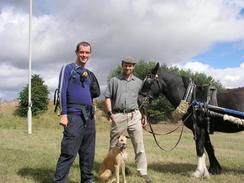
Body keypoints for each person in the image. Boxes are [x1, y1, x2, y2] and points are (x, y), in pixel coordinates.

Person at [53, 41, 100, 183]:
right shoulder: (68, 68)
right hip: (73, 116)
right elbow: (61, 91)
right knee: (68, 152)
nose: (84, 55)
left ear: (90, 54)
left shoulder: (89, 74)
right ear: (76, 53)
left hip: (89, 118)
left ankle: (87, 180)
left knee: (88, 153)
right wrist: (63, 114)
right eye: (82, 52)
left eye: (87, 52)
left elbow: (91, 94)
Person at [104, 56, 152, 183]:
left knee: (139, 144)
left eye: (130, 65)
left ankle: (143, 172)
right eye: (126, 65)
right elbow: (107, 97)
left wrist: (144, 116)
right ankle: (111, 171)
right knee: (114, 145)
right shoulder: (114, 80)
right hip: (118, 115)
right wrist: (110, 113)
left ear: (134, 66)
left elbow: (141, 101)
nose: (128, 67)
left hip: (135, 115)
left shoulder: (139, 82)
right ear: (122, 65)